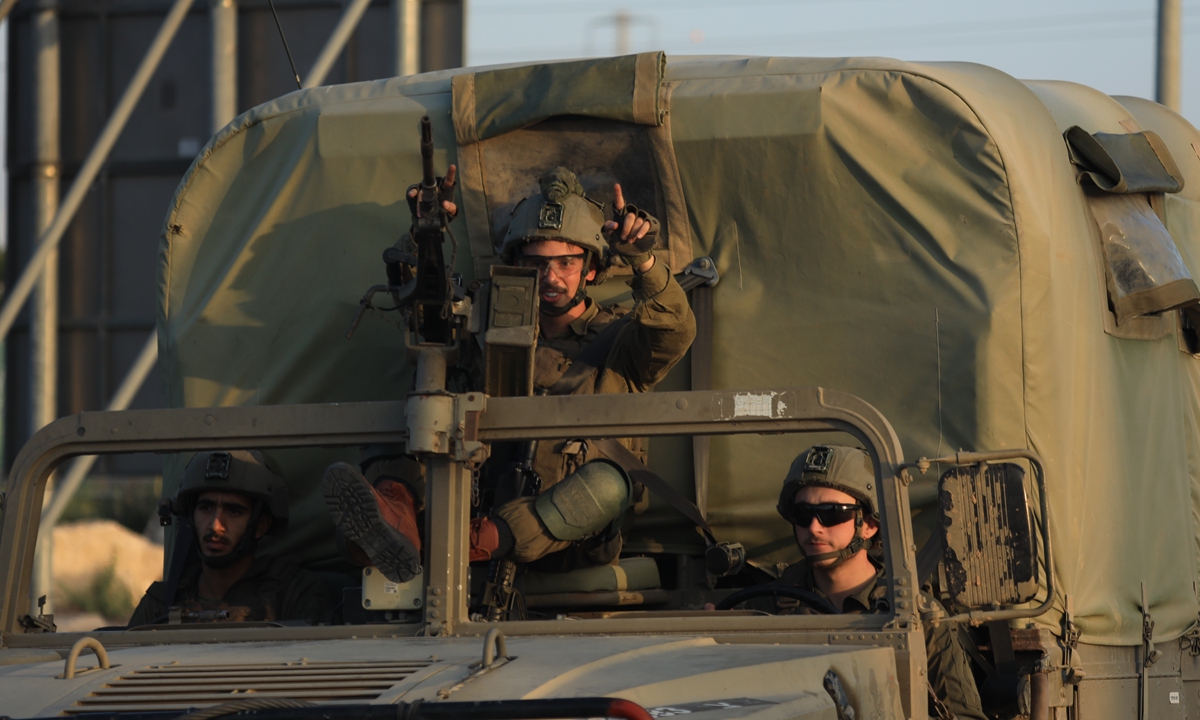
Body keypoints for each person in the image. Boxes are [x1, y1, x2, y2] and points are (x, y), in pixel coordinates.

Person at [324, 165, 696, 582]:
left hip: (574, 538)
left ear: (591, 269)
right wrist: (424, 235)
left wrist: (643, 262)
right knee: (403, 425)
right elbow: (422, 303)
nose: (550, 277)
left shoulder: (624, 339)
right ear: (516, 266)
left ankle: (452, 546)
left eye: (566, 263)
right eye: (535, 264)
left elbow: (674, 327)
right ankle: (393, 527)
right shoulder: (480, 323)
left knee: (608, 484)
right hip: (470, 500)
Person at [771, 445, 987, 720]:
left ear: (870, 524)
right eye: (803, 513)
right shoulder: (765, 607)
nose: (814, 527)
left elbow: (964, 716)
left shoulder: (917, 614)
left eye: (832, 512)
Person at [128, 450, 333, 626]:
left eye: (234, 511)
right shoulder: (161, 602)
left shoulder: (294, 594)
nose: (215, 525)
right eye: (206, 508)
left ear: (260, 526)